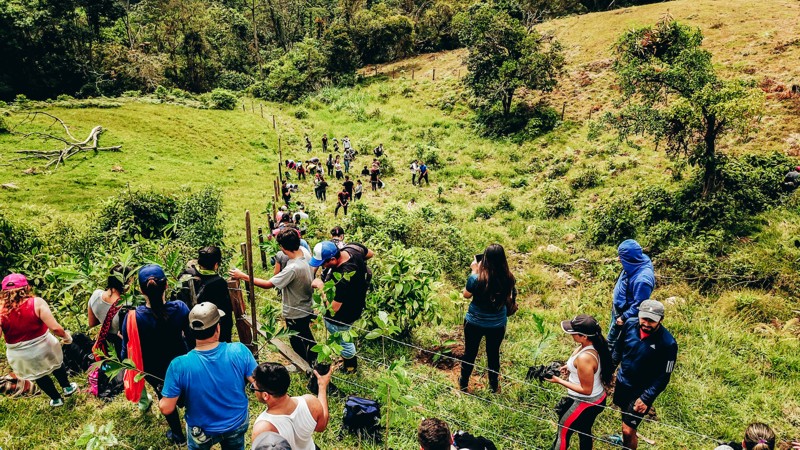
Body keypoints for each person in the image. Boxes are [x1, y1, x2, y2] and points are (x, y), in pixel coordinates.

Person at [160, 302, 257, 450]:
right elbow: (259, 384)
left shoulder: (179, 365)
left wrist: (164, 394)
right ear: (218, 328)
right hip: (236, 423)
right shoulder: (239, 350)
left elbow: (166, 408)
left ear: (190, 332)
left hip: (201, 431)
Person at [121, 264, 192, 444]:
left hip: (155, 370)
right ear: (166, 285)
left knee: (165, 396)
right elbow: (192, 337)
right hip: (182, 362)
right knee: (190, 394)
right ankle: (197, 428)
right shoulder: (180, 308)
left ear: (140, 289)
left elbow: (124, 353)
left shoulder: (132, 318)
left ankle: (178, 435)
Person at [230, 228, 317, 366]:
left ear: (282, 247)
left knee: (298, 340)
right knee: (307, 336)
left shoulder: (293, 268)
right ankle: (313, 363)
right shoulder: (305, 252)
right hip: (307, 304)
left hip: (295, 311)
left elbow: (268, 284)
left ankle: (308, 366)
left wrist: (243, 276)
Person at [0, 273, 77, 407]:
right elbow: (55, 328)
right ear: (27, 288)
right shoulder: (37, 303)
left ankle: (56, 399)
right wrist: (67, 337)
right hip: (44, 346)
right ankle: (67, 387)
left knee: (38, 375)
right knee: (57, 365)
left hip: (21, 355)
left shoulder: (1, 311)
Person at [611, 299, 677, 450]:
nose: (646, 324)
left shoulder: (668, 344)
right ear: (639, 315)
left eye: (652, 321)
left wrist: (646, 398)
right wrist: (610, 370)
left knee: (627, 431)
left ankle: (628, 442)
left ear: (661, 320)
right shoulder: (629, 325)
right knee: (625, 419)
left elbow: (664, 376)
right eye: (644, 318)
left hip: (641, 392)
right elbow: (618, 349)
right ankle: (628, 438)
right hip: (622, 382)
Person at [547, 315, 612, 450]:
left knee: (563, 433)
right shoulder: (595, 345)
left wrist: (558, 381)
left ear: (584, 336)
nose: (571, 335)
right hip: (598, 398)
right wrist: (569, 367)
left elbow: (586, 389)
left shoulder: (585, 358)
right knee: (584, 430)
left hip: (584, 402)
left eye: (574, 333)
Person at [309, 241, 373, 373]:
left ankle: (350, 368)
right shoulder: (352, 249)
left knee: (345, 342)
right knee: (345, 335)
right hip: (356, 304)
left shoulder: (343, 278)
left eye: (324, 263)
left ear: (333, 259)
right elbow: (370, 254)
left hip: (343, 315)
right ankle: (344, 360)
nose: (322, 267)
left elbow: (333, 309)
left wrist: (321, 287)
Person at [460, 244, 516, 393]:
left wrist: (474, 271)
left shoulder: (476, 279)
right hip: (497, 324)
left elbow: (466, 295)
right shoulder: (509, 278)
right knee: (493, 354)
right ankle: (493, 385)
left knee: (470, 353)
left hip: (474, 322)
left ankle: (463, 383)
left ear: (485, 259)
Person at [251, 362, 331, 450]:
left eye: (253, 388)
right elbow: (321, 427)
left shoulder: (263, 427)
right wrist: (322, 386)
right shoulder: (311, 402)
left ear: (265, 395)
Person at [608, 239, 655, 350]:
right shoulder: (637, 261)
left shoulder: (642, 280)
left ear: (630, 259)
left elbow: (640, 304)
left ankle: (609, 361)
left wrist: (624, 317)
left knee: (613, 339)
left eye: (622, 257)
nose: (619, 259)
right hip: (618, 307)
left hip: (624, 312)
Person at [88, 265, 134, 357]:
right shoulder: (128, 305)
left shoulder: (96, 295)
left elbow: (92, 323)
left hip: (106, 343)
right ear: (126, 283)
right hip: (122, 347)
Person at [195, 246, 234, 343]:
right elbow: (226, 311)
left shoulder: (188, 277)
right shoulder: (220, 283)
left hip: (196, 330)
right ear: (216, 265)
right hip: (216, 331)